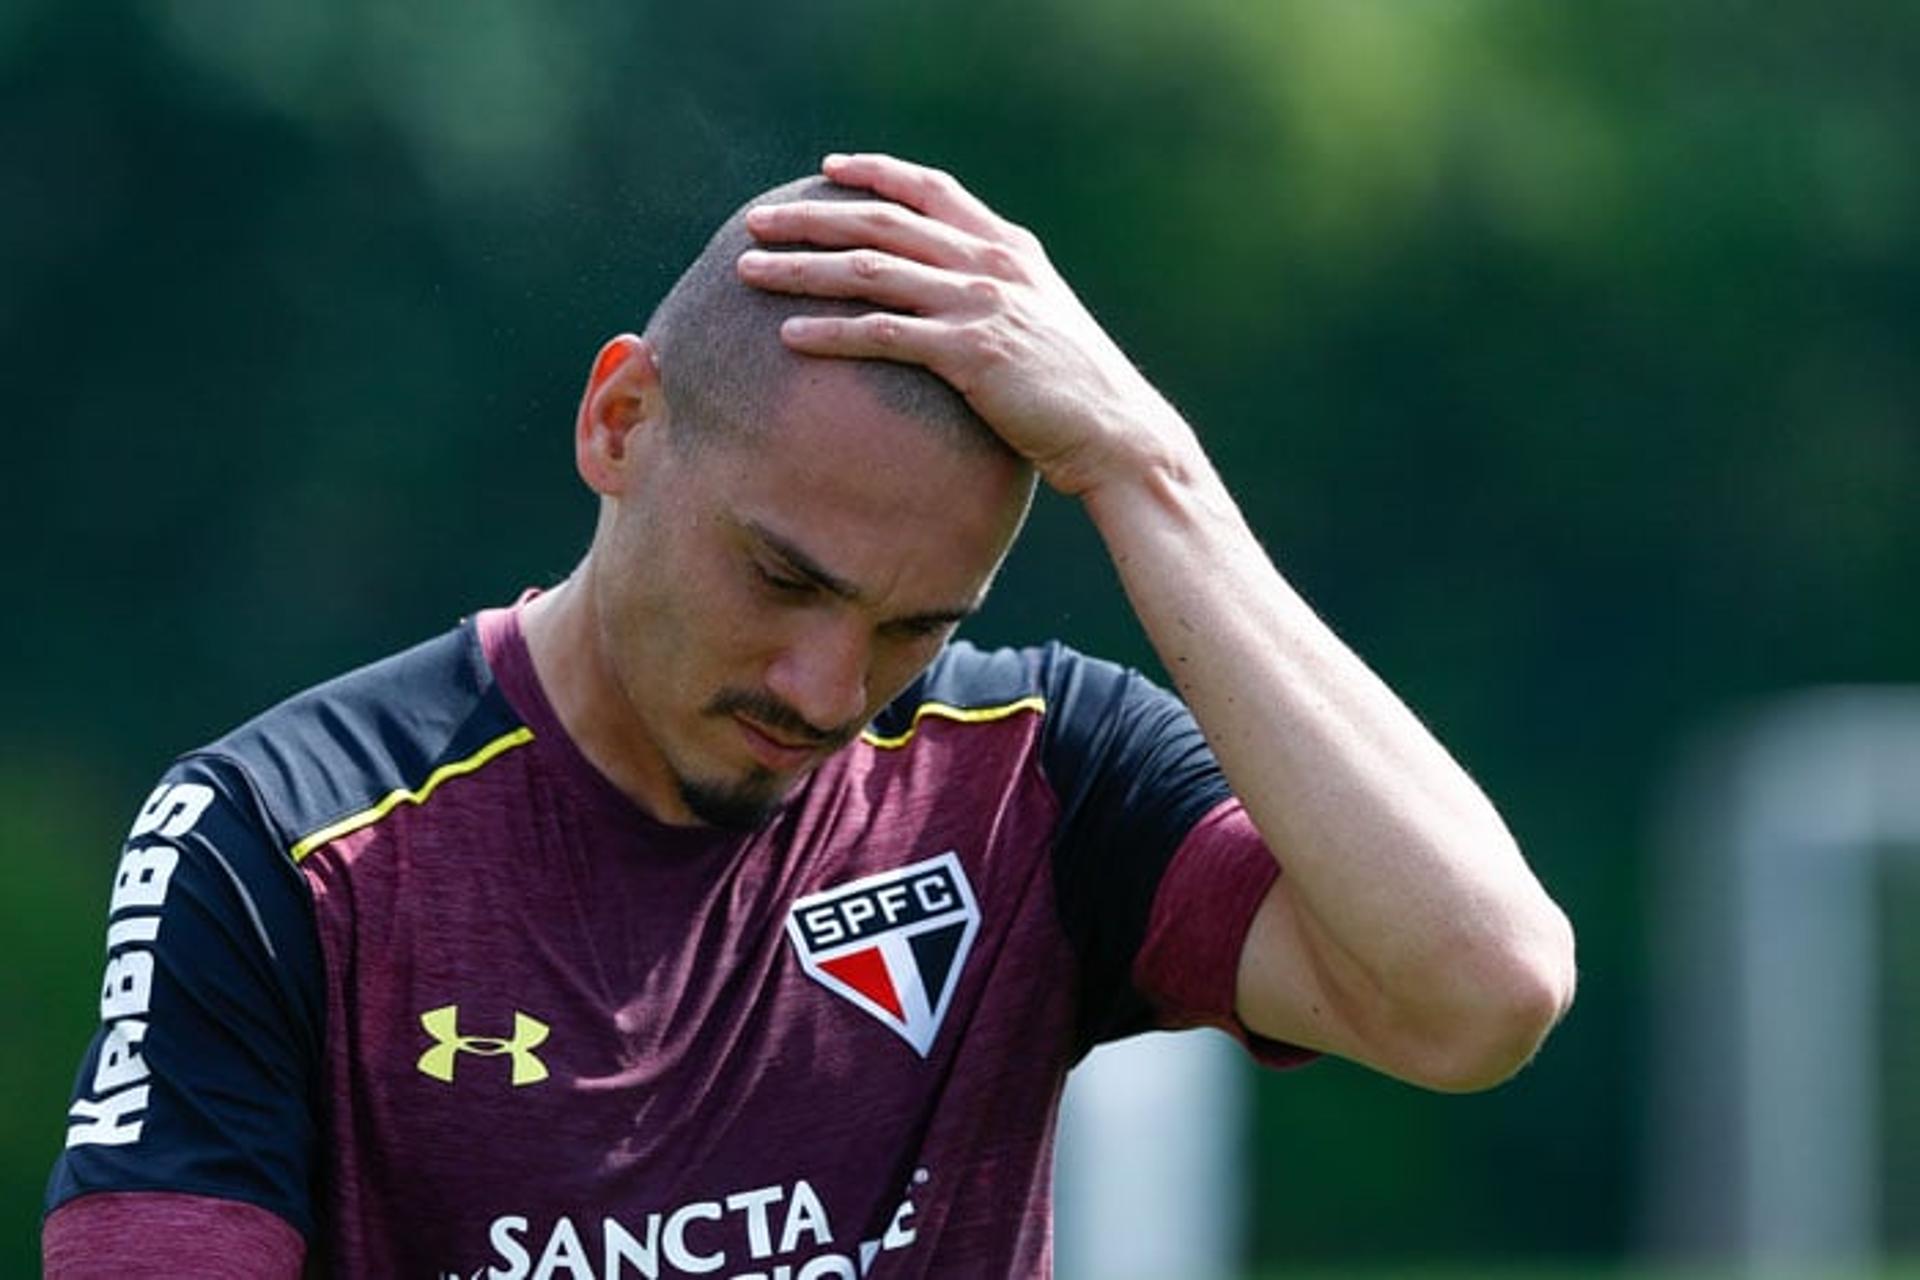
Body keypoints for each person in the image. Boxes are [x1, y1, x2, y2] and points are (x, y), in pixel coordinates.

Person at [44, 152, 1576, 1278]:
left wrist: (1148, 469)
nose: (827, 692)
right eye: (783, 579)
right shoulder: (277, 839)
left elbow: (1480, 986)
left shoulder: (1033, 777)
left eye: (917, 628)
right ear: (620, 422)